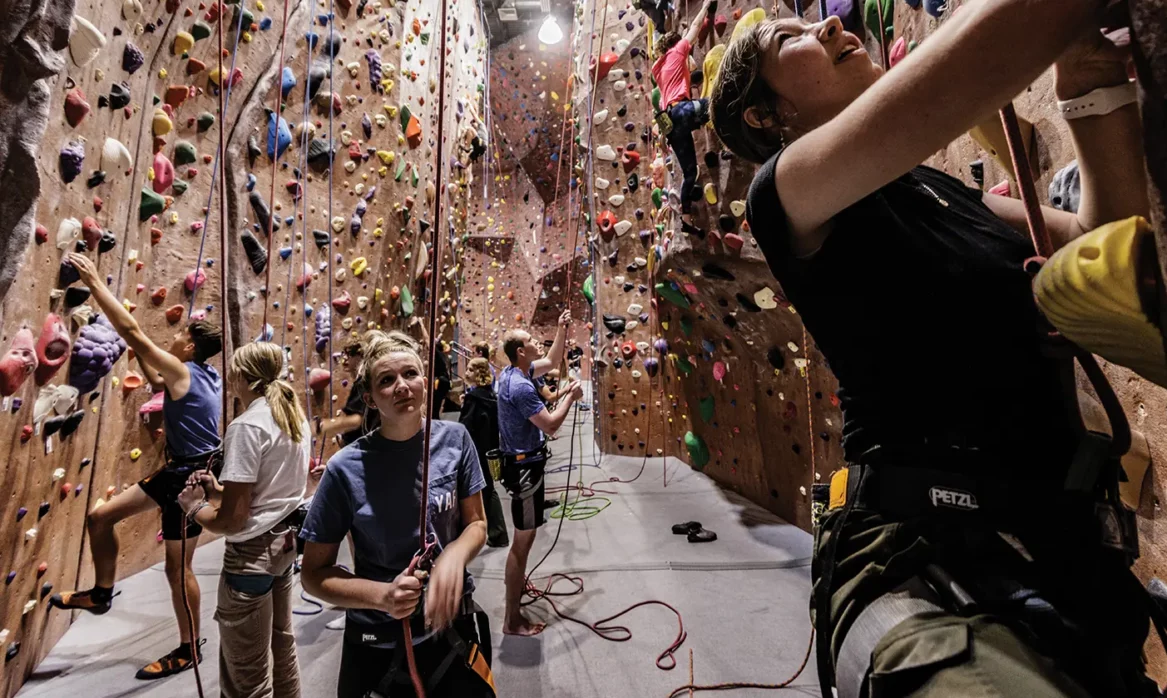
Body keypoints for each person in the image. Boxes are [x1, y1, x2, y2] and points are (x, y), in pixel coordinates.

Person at [712, 4, 1153, 697]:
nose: (825, 26)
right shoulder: (787, 193)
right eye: (787, 38)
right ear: (765, 119)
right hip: (919, 562)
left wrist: (1088, 84)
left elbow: (1101, 237)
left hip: (1058, 551)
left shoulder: (937, 190)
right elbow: (991, 50)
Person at [51, 252, 224, 680]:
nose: (176, 339)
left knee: (175, 568)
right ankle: (102, 593)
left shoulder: (185, 371)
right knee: (100, 517)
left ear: (190, 347)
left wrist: (94, 283)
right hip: (177, 472)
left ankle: (189, 649)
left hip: (191, 478)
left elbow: (133, 332)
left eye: (181, 336)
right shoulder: (203, 375)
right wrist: (139, 351)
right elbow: (156, 377)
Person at [299, 330, 494, 697]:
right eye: (387, 381)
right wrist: (383, 596)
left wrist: (454, 555)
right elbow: (313, 574)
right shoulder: (346, 468)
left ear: (426, 380)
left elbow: (477, 523)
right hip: (380, 639)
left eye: (410, 374)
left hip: (451, 626)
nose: (402, 386)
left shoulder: (456, 440)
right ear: (370, 399)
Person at [176, 342, 309, 698]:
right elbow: (266, 495)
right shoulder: (293, 417)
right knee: (282, 645)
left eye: (234, 373)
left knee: (245, 678)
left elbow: (233, 522)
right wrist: (219, 491)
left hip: (250, 556)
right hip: (284, 546)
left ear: (244, 378)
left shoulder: (247, 426)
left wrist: (193, 507)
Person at [496, 311, 583, 636]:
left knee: (526, 536)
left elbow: (551, 358)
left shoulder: (514, 372)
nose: (537, 343)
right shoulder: (520, 386)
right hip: (524, 468)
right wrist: (571, 399)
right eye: (530, 341)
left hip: (522, 463)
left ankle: (516, 590)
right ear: (520, 351)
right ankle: (512, 620)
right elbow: (550, 425)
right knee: (523, 539)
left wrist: (562, 328)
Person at [652, 0, 717, 237]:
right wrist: (705, 6)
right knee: (715, 104)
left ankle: (686, 219)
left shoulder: (657, 71)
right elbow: (695, 28)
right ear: (675, 44)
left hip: (671, 123)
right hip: (682, 110)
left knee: (691, 173)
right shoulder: (677, 51)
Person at [458, 358, 510, 548]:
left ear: (479, 373)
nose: (468, 371)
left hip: (477, 450)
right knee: (488, 489)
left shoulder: (474, 398)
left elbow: (465, 427)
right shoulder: (488, 395)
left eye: (472, 369)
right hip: (489, 447)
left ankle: (498, 533)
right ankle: (497, 532)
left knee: (486, 491)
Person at [319, 340, 379, 446]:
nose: (345, 358)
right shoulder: (361, 382)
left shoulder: (362, 383)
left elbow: (357, 420)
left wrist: (323, 426)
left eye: (350, 354)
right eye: (344, 354)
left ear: (361, 357)